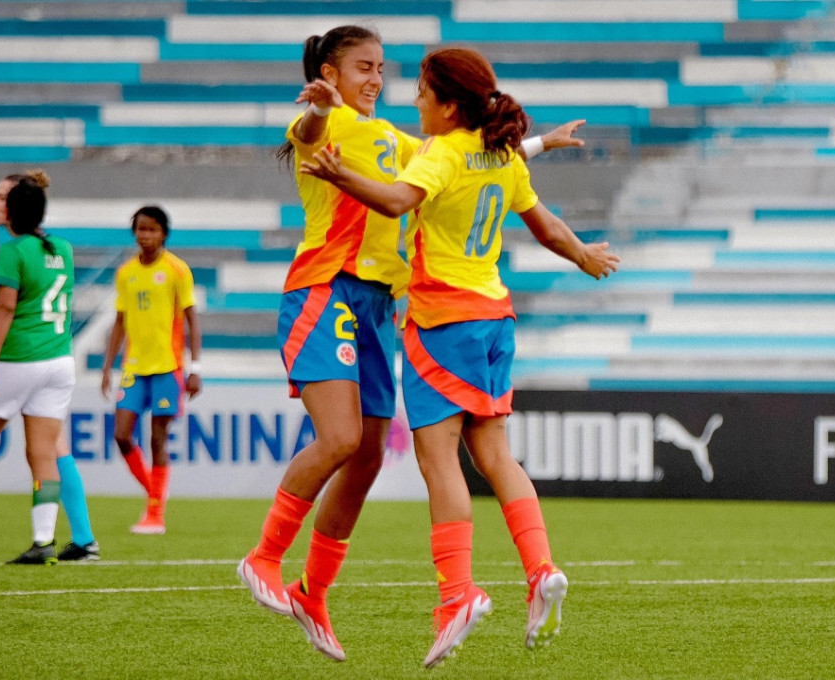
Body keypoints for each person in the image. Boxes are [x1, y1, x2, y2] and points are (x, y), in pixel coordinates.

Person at [236, 25, 588, 663]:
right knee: (345, 440)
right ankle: (263, 556)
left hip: (378, 304)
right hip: (326, 290)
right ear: (330, 72)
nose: (376, 78)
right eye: (363, 67)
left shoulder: (395, 138)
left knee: (369, 455)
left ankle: (313, 592)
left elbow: (459, 162)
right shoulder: (323, 122)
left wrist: (539, 143)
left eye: (381, 68)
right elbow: (312, 136)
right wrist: (318, 106)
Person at [0, 173, 99, 561]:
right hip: (59, 361)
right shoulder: (62, 248)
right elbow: (5, 291)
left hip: (21, 359)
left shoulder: (13, 250)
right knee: (44, 454)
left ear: (14, 209)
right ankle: (44, 542)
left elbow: (4, 304)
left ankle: (76, 539)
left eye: (1, 198)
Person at [101, 206, 202, 535]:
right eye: (140, 229)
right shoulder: (126, 272)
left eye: (152, 230)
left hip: (167, 367)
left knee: (158, 438)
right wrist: (107, 367)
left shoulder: (176, 270)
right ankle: (155, 493)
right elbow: (119, 322)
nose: (145, 235)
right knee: (121, 434)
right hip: (134, 367)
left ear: (163, 234)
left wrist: (195, 367)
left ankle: (154, 515)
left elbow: (191, 319)